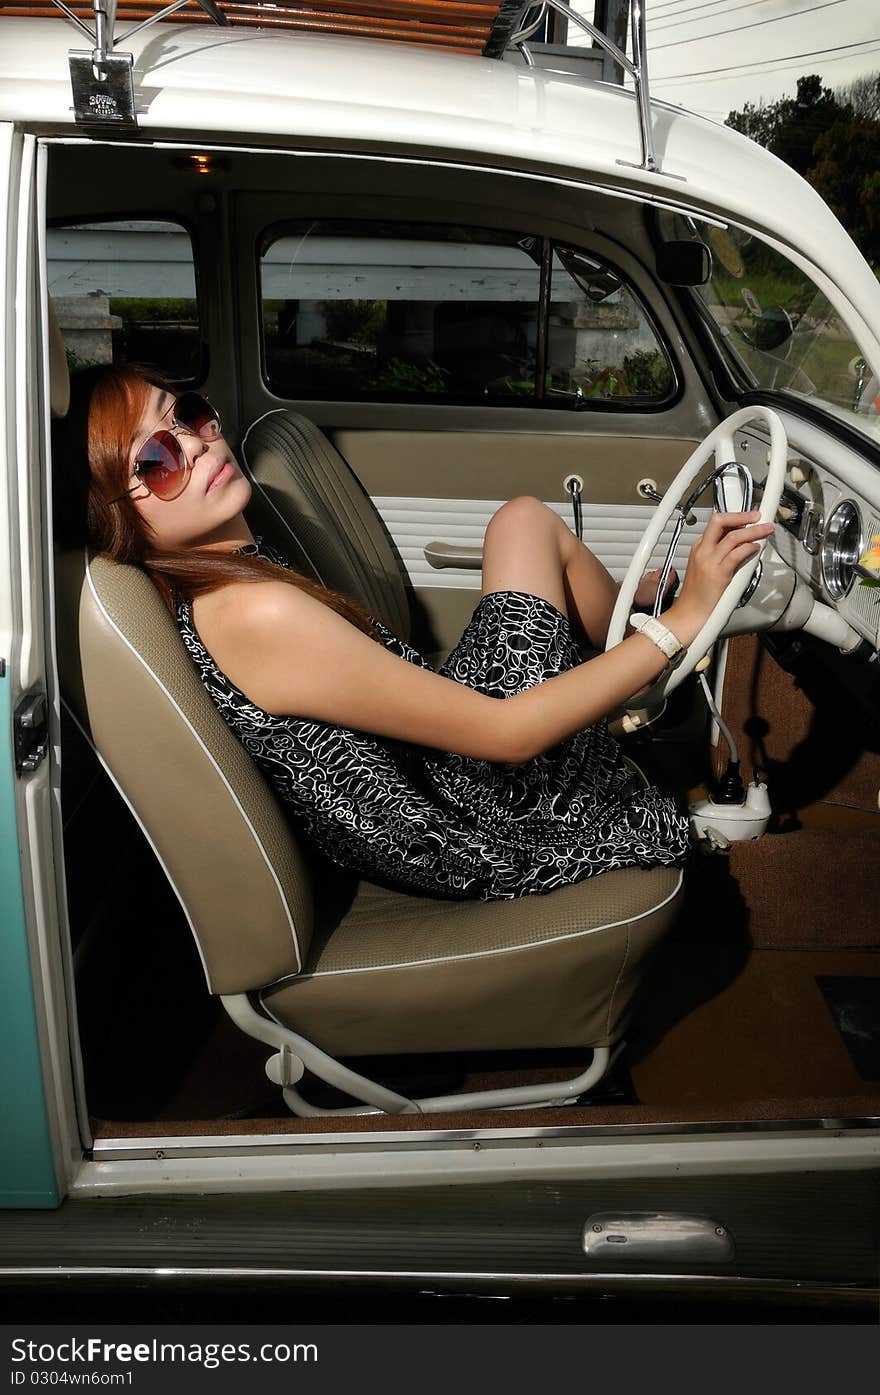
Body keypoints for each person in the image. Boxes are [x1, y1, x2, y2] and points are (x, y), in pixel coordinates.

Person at [61, 364, 773, 901]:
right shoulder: (250, 613)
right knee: (541, 538)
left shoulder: (232, 573)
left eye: (184, 414)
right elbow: (506, 736)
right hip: (467, 816)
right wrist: (681, 624)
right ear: (124, 520)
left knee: (521, 519)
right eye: (155, 463)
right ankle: (651, 639)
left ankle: (632, 622)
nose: (193, 445)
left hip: (436, 768)